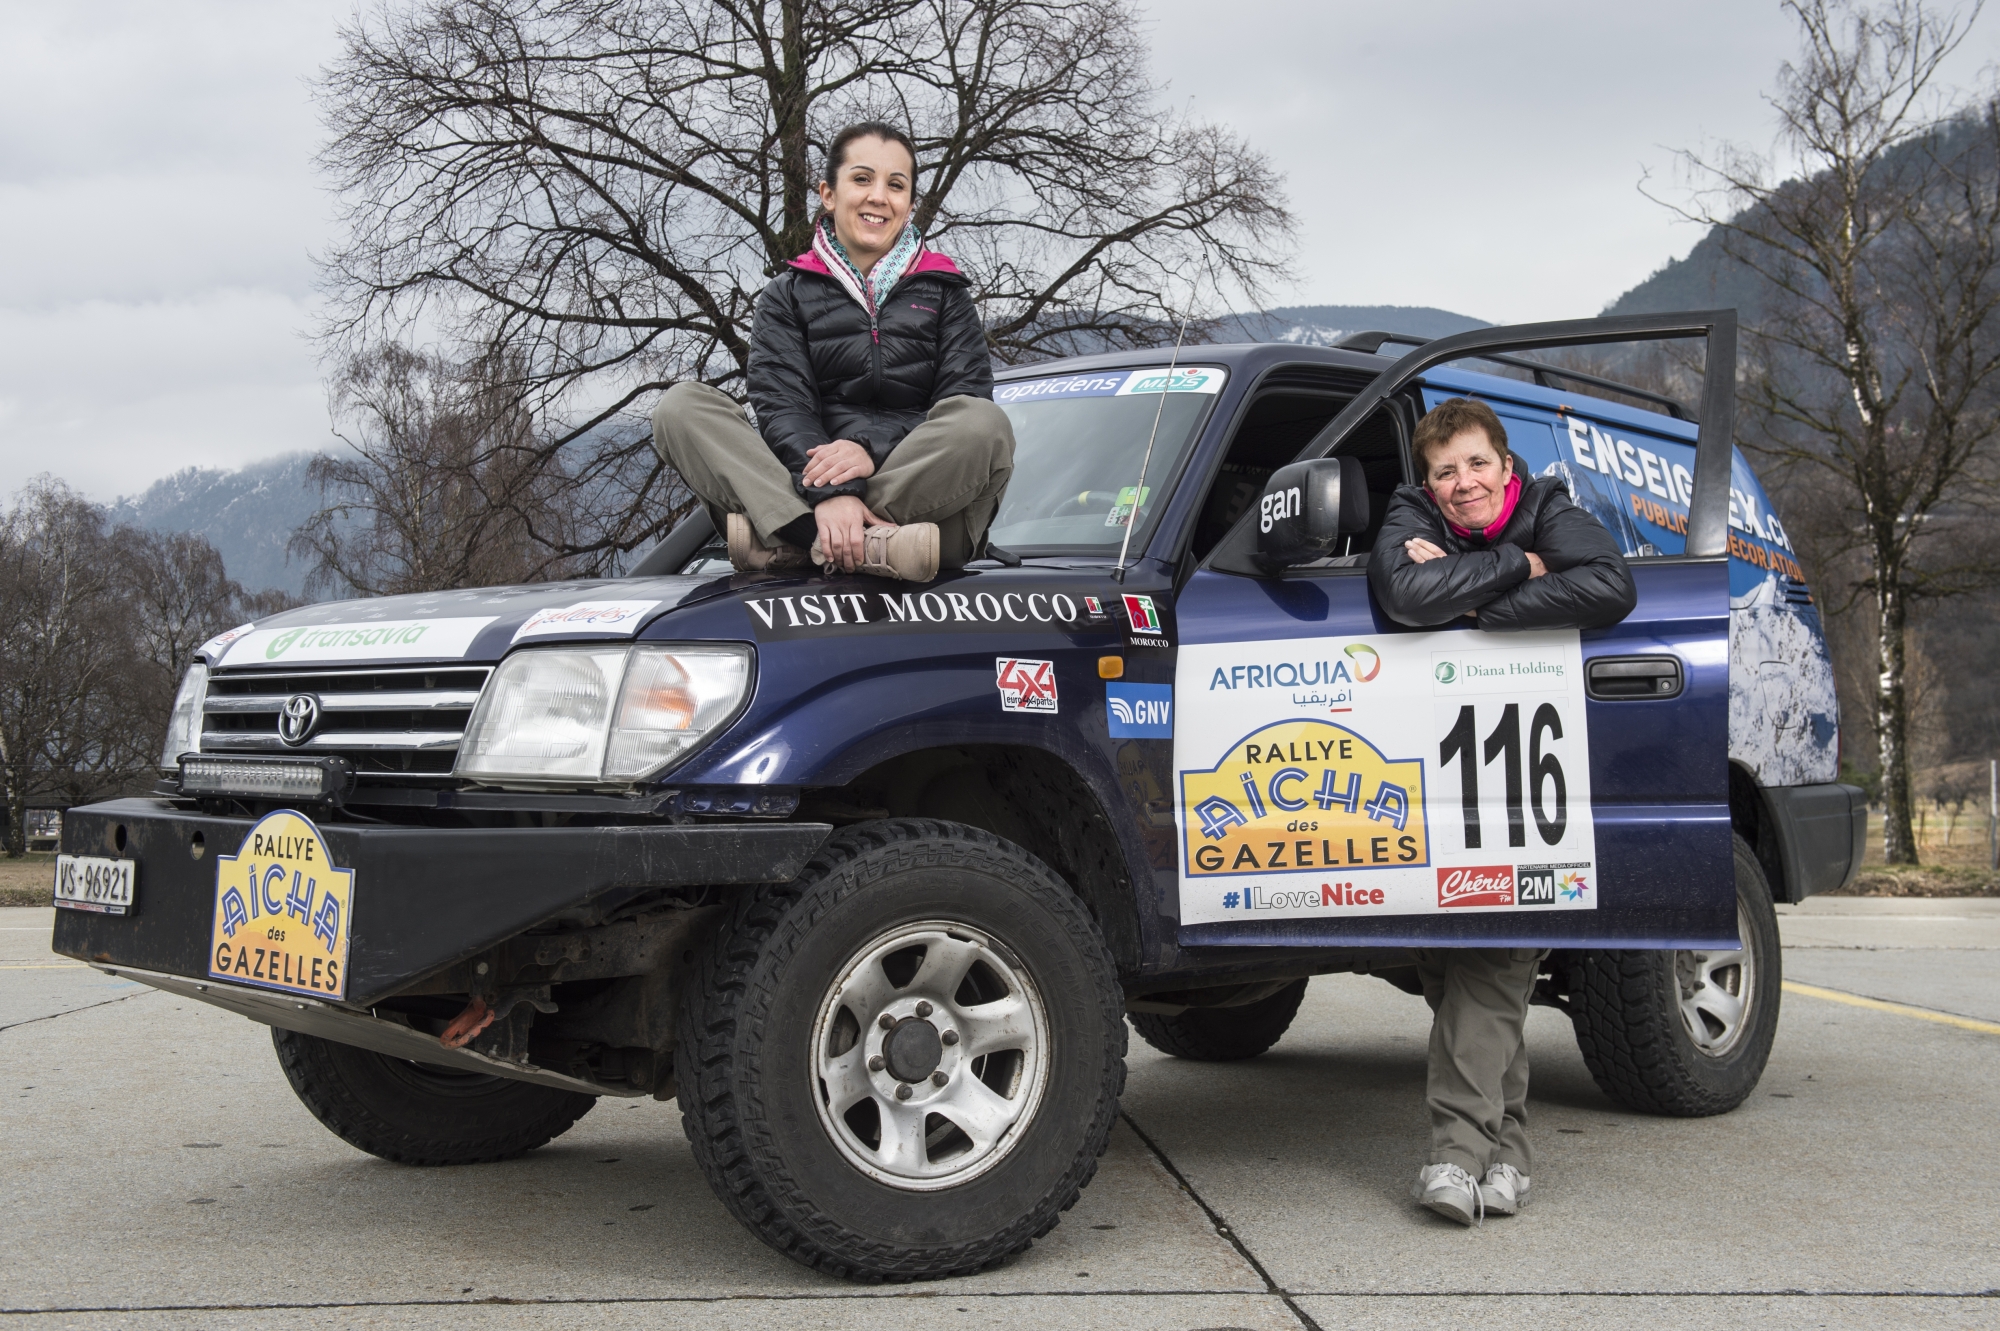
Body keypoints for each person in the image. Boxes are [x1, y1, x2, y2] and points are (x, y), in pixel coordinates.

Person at [1367, 396, 1636, 1227]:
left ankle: (1454, 1154)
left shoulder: (1550, 503)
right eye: (1446, 471)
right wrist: (1522, 571)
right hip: (1439, 787)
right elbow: (1406, 597)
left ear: (1507, 465)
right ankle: (1507, 1156)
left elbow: (1611, 585)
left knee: (1490, 960)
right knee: (1457, 978)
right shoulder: (1409, 508)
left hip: (1526, 796)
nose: (1463, 483)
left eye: (1478, 463)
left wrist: (1472, 602)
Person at [652, 121, 1014, 582]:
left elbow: (962, 401)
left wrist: (869, 452)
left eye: (895, 185)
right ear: (828, 193)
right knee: (681, 407)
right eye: (862, 179)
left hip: (921, 511)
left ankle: (797, 540)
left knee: (983, 424)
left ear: (909, 205)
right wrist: (834, 492)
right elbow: (784, 408)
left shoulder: (947, 294)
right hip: (816, 488)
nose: (878, 196)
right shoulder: (785, 295)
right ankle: (835, 539)